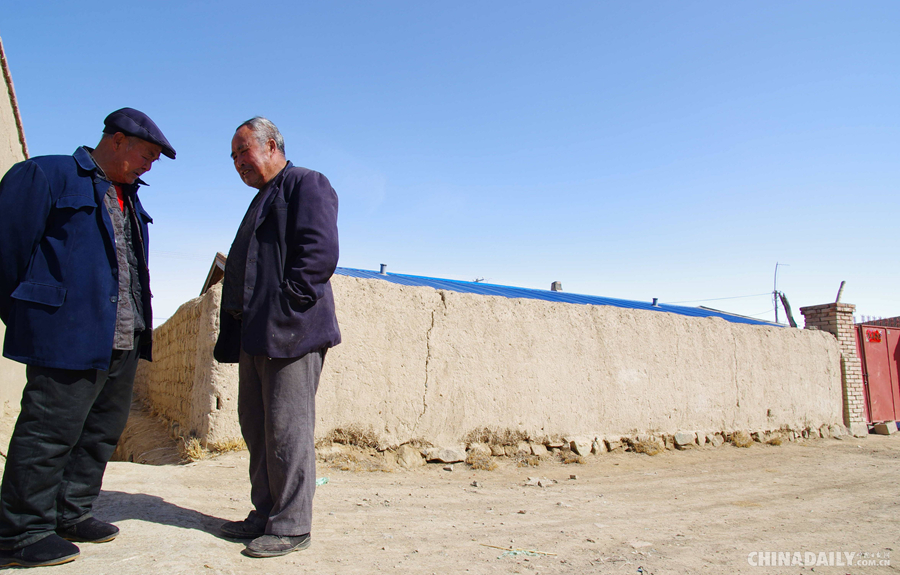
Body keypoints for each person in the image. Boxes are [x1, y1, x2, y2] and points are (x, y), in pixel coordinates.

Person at [0, 108, 175, 568]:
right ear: (117, 141)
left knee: (99, 432)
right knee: (48, 431)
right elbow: (8, 251)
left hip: (122, 337)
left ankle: (70, 512)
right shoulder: (46, 174)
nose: (149, 165)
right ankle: (19, 531)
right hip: (67, 333)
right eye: (147, 154)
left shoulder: (129, 197)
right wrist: (31, 317)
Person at [214, 117, 340, 558]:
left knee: (287, 430)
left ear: (271, 145)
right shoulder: (262, 197)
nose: (237, 163)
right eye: (232, 157)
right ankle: (264, 515)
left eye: (242, 151)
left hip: (291, 334)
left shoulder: (307, 184)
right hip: (255, 336)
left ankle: (292, 525)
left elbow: (318, 255)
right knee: (257, 427)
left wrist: (284, 310)